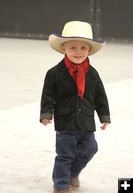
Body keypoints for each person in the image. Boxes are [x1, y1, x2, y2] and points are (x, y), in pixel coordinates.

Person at [40, 21, 111, 193]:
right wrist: (46, 113)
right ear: (64, 48)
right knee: (65, 155)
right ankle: (61, 185)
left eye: (82, 48)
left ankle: (72, 173)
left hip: (86, 121)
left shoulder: (93, 74)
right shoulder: (54, 73)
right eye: (73, 47)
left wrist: (104, 116)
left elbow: (100, 96)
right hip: (65, 122)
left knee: (90, 148)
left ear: (89, 50)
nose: (78, 52)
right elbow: (48, 95)